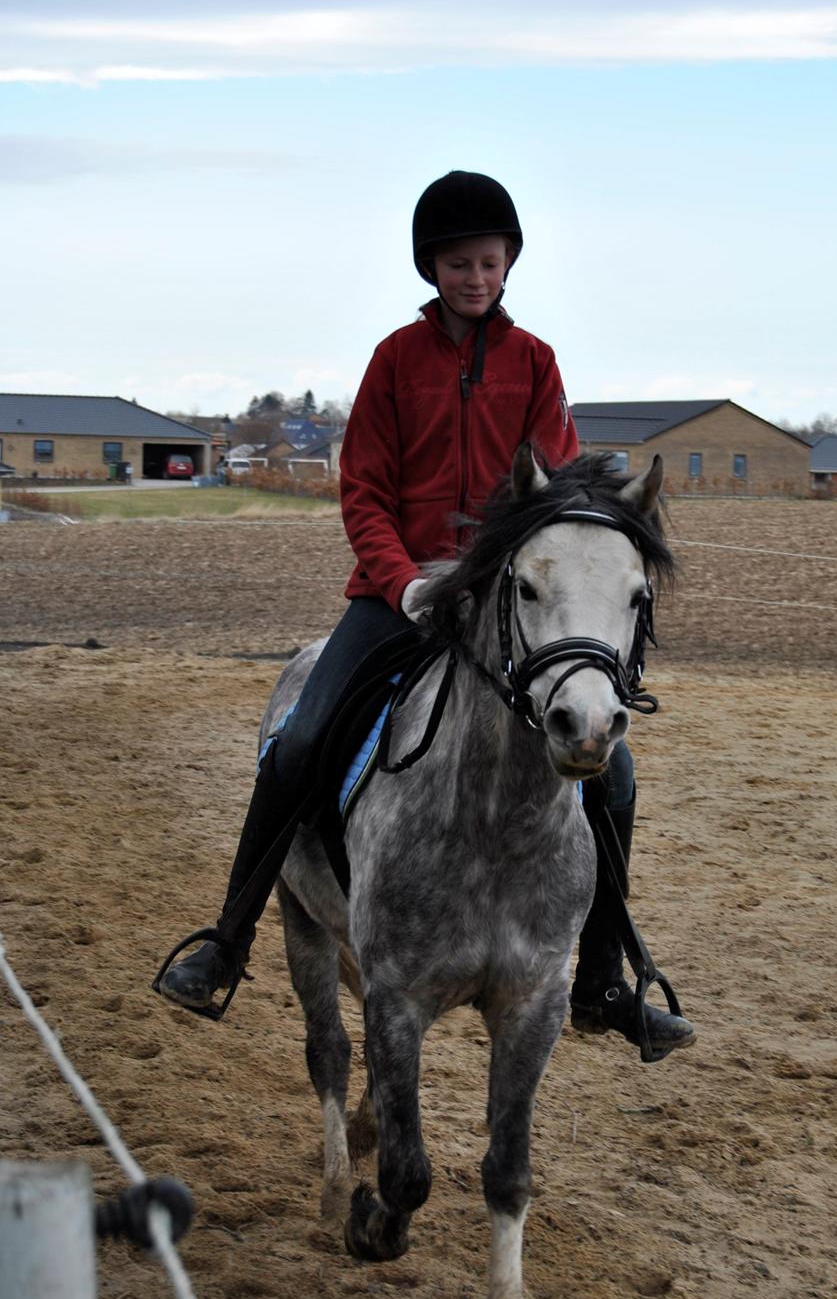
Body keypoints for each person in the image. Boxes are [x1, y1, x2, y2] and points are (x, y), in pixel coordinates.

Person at [154, 170, 695, 1061]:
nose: (474, 277)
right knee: (301, 740)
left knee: (615, 772)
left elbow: (553, 495)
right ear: (431, 268)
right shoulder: (393, 362)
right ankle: (225, 939)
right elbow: (363, 489)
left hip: (497, 609)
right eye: (457, 263)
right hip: (394, 598)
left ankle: (602, 978)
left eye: (488, 261)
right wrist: (402, 579)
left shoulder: (536, 364)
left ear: (508, 264)